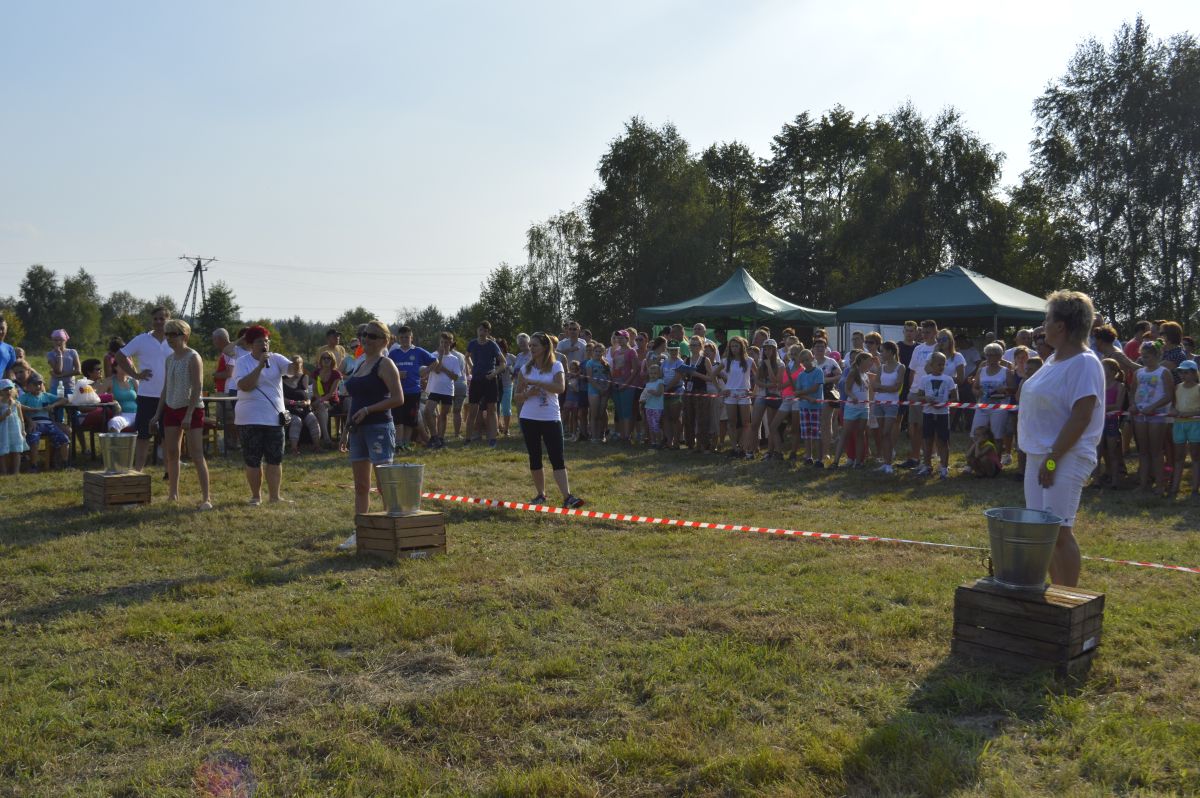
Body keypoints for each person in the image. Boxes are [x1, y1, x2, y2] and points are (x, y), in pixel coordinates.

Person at [1017, 291, 1105, 587]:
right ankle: (1056, 594)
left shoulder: (1084, 363)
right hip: (1040, 455)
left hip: (1065, 455)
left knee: (1058, 532)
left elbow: (1081, 416)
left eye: (1047, 319)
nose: (1043, 326)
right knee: (1043, 532)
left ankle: (1069, 601)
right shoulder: (1054, 359)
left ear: (1061, 326)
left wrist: (1053, 459)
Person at [339, 320, 405, 550]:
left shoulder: (385, 364)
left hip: (379, 428)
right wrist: (345, 431)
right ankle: (361, 531)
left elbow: (398, 398)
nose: (366, 339)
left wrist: (368, 410)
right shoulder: (360, 363)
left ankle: (390, 531)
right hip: (357, 430)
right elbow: (354, 399)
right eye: (364, 335)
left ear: (384, 341)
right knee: (360, 486)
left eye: (372, 336)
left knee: (384, 484)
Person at [516, 332, 584, 509]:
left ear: (545, 347)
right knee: (535, 456)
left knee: (557, 457)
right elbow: (517, 396)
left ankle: (567, 497)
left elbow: (560, 388)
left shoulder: (556, 365)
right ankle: (540, 495)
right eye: (530, 345)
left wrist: (537, 383)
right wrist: (527, 394)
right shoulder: (525, 369)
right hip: (529, 418)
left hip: (551, 417)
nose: (531, 348)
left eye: (535, 345)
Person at [151, 320, 212, 510]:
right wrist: (157, 414)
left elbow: (198, 387)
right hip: (171, 408)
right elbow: (166, 388)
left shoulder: (193, 357)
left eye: (173, 334)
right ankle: (173, 494)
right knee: (171, 453)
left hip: (191, 409)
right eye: (167, 334)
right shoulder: (169, 359)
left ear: (184, 336)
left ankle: (206, 498)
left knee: (196, 453)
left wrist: (189, 414)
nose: (169, 338)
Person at [233, 325, 298, 505]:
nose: (264, 345)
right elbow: (245, 386)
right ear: (250, 344)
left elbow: (292, 371)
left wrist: (297, 362)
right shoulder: (242, 362)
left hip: (274, 418)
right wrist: (260, 366)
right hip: (249, 418)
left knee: (275, 459)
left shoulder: (276, 359)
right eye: (260, 341)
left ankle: (275, 497)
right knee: (253, 460)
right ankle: (256, 496)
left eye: (267, 341)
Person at [112, 307, 173, 470]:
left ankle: (169, 472)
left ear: (169, 320)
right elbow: (119, 355)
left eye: (162, 318)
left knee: (167, 436)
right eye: (155, 319)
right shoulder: (141, 339)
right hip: (147, 395)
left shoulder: (174, 340)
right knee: (143, 435)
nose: (158, 322)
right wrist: (135, 374)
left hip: (170, 395)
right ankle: (138, 470)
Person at [1131, 340, 1176, 495]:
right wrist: (1133, 405)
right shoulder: (1138, 373)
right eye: (1142, 356)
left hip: (1157, 415)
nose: (1144, 359)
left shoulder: (1164, 372)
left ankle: (1160, 485)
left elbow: (1169, 395)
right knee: (1143, 451)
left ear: (1157, 356)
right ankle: (1143, 484)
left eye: (1147, 356)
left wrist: (1153, 407)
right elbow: (1133, 392)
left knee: (1156, 451)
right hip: (1140, 415)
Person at [388, 325, 437, 450]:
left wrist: (425, 372)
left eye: (407, 337)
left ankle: (405, 443)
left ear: (412, 338)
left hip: (413, 391)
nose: (404, 340)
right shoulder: (393, 353)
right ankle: (398, 444)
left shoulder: (418, 351)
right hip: (398, 391)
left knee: (410, 419)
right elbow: (386, 369)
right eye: (402, 337)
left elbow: (435, 362)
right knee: (398, 419)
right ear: (398, 338)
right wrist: (397, 374)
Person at [912, 351, 957, 479]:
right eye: (939, 364)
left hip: (943, 414)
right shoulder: (924, 379)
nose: (941, 367)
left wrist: (944, 402)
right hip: (928, 413)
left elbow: (955, 397)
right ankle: (927, 465)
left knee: (943, 440)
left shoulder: (948, 379)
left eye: (943, 364)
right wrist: (926, 398)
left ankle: (944, 467)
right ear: (931, 365)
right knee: (927, 440)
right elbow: (919, 396)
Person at [902, 320, 939, 468]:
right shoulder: (918, 348)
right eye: (922, 332)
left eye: (927, 332)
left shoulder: (939, 348)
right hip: (915, 392)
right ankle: (915, 457)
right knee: (914, 427)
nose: (924, 335)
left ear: (935, 332)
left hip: (931, 393)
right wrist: (911, 389)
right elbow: (912, 371)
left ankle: (929, 457)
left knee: (928, 427)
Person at [465, 321, 504, 447]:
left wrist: (494, 373)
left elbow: (503, 363)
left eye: (485, 331)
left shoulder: (492, 344)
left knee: (492, 410)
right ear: (477, 330)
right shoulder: (472, 343)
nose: (483, 332)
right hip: (476, 380)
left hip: (490, 380)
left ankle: (492, 439)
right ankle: (468, 439)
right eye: (481, 330)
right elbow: (467, 356)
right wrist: (472, 367)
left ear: (488, 332)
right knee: (473, 410)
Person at [19, 373, 70, 468]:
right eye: (35, 384)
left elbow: (65, 400)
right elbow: (17, 406)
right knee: (33, 440)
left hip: (48, 423)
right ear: (28, 386)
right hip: (35, 423)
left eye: (40, 384)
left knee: (64, 439)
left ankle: (65, 464)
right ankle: (34, 465)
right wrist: (29, 417)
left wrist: (53, 405)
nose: (38, 386)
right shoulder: (25, 397)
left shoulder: (46, 395)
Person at [422, 331, 463, 449]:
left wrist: (445, 370)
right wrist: (440, 356)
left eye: (446, 343)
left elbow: (455, 377)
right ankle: (434, 436)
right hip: (434, 389)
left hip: (447, 390)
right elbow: (437, 370)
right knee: (427, 412)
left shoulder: (454, 359)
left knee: (443, 415)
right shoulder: (433, 355)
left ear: (451, 343)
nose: (444, 345)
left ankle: (440, 439)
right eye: (442, 342)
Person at [835, 352, 874, 468]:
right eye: (869, 360)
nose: (871, 363)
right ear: (862, 361)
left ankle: (858, 462)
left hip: (864, 408)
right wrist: (853, 397)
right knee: (845, 433)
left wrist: (870, 402)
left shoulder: (865, 375)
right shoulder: (853, 372)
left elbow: (868, 391)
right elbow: (847, 389)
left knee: (860, 434)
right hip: (852, 407)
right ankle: (835, 461)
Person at [873, 341, 905, 473]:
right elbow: (875, 386)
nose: (881, 354)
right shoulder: (881, 367)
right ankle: (886, 462)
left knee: (887, 432)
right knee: (882, 433)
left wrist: (882, 388)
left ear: (891, 352)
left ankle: (888, 464)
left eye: (883, 351)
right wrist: (886, 388)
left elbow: (896, 387)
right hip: (879, 402)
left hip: (892, 404)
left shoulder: (900, 367)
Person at [1170, 360, 1200, 498]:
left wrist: (1189, 413)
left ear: (1194, 373)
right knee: (1178, 457)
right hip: (1179, 424)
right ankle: (1174, 488)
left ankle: (1194, 489)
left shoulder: (1198, 388)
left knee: (1195, 456)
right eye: (1181, 372)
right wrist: (1173, 410)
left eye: (1186, 372)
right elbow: (1174, 405)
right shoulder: (1177, 387)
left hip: (1195, 424)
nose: (1183, 375)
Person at [721, 336, 753, 457]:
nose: (734, 348)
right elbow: (713, 374)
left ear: (742, 347)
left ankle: (743, 448)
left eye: (736, 346)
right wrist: (721, 389)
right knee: (731, 422)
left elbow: (758, 375)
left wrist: (754, 391)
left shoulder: (749, 360)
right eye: (732, 346)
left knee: (746, 423)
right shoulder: (726, 361)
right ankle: (735, 448)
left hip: (744, 394)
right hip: (730, 394)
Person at [282, 356, 321, 455]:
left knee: (313, 419)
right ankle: (294, 449)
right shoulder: (282, 379)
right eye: (294, 364)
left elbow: (307, 395)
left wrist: (307, 402)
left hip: (304, 408)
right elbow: (282, 399)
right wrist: (295, 403)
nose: (297, 367)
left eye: (299, 364)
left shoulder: (304, 377)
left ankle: (317, 446)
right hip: (289, 409)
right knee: (296, 421)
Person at [793, 348, 824, 466]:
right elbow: (797, 393)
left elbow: (815, 388)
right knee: (806, 433)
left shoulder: (818, 372)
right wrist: (807, 398)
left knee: (817, 433)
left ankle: (819, 459)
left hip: (816, 407)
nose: (806, 362)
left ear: (812, 358)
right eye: (803, 361)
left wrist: (801, 393)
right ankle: (808, 456)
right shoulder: (801, 375)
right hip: (804, 407)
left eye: (807, 359)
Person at [312, 351, 342, 447]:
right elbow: (314, 391)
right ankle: (325, 438)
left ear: (332, 360)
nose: (326, 360)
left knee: (321, 407)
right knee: (320, 407)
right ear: (320, 360)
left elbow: (332, 393)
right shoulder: (316, 373)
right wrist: (319, 400)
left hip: (332, 401)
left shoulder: (336, 374)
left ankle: (326, 439)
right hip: (318, 400)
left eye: (328, 358)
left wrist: (320, 401)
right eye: (324, 358)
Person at [0, 378, 29, 474]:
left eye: (10, 389)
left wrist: (23, 430)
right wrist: (4, 415)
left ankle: (16, 471)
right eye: (5, 389)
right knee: (3, 452)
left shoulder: (16, 403)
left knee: (17, 451)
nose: (8, 391)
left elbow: (21, 419)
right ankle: (4, 472)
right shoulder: (0, 404)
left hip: (15, 430)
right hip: (4, 431)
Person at [497, 338, 516, 437]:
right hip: (496, 385)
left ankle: (506, 429)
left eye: (500, 347)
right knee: (497, 408)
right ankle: (498, 426)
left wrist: (513, 374)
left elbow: (518, 367)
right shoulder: (495, 357)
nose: (499, 349)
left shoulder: (510, 357)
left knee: (506, 408)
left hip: (507, 385)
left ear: (504, 347)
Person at [0, 315, 16, 380]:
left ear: (6, 328)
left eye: (2, 328)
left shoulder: (9, 349)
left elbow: (11, 374)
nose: (0, 331)